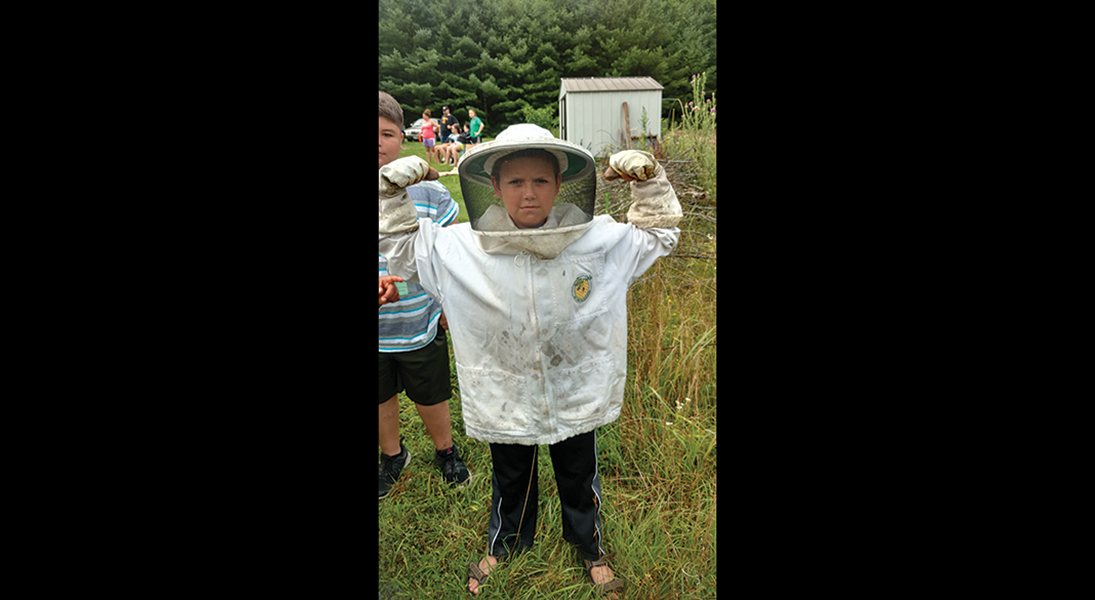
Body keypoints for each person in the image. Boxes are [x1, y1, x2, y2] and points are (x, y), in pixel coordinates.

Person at [378, 123, 683, 596]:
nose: (528, 194)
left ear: (560, 185)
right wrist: (392, 194)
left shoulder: (597, 240)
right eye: (516, 182)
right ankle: (506, 545)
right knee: (510, 473)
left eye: (540, 181)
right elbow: (401, 251)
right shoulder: (459, 247)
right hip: (504, 390)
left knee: (579, 473)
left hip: (575, 386)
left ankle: (588, 546)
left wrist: (649, 183)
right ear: (495, 188)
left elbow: (658, 235)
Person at [378, 91, 470, 501]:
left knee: (431, 392)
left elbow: (451, 256)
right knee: (381, 396)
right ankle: (393, 456)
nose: (379, 142)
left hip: (422, 318)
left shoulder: (431, 196)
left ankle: (445, 450)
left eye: (387, 133)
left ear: (404, 138)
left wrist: (449, 304)